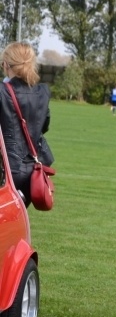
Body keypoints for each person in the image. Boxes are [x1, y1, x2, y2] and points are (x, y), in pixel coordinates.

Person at [0, 42, 54, 207]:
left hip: (7, 169)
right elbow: (44, 126)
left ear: (6, 65)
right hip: (33, 169)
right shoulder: (42, 92)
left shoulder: (2, 91)